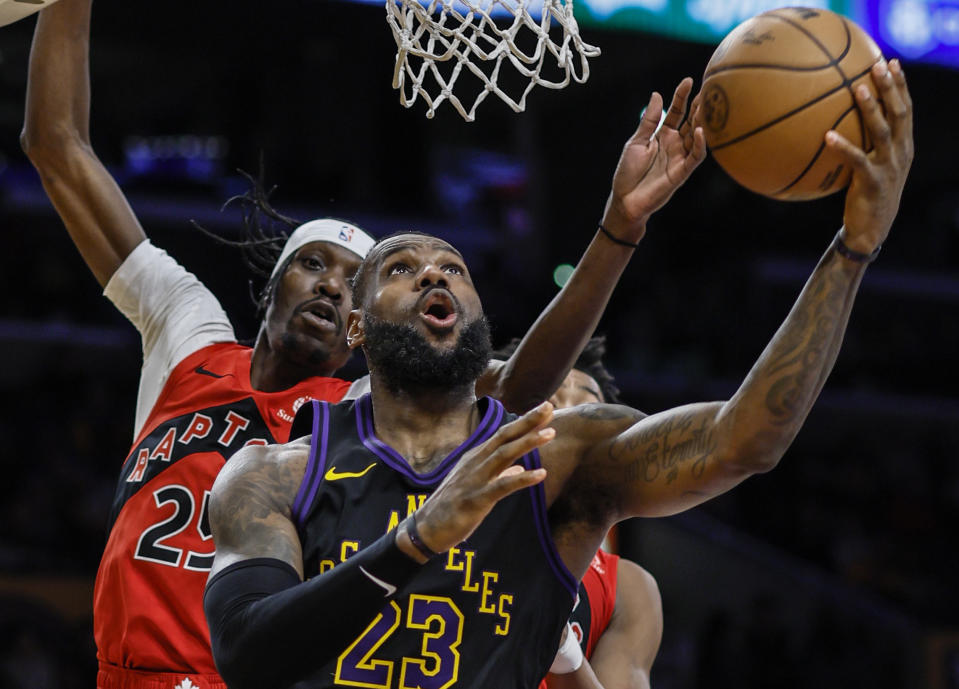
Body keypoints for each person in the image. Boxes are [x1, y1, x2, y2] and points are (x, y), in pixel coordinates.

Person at [19, 1, 706, 687]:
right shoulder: (188, 332)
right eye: (312, 264)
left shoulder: (368, 415)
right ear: (272, 286)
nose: (330, 287)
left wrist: (614, 236)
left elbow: (520, 383)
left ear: (366, 328)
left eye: (355, 284)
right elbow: (58, 147)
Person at [202, 59, 913, 688]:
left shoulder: (561, 462)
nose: (432, 274)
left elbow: (745, 439)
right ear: (357, 327)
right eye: (400, 268)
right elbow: (245, 653)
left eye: (453, 267)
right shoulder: (273, 473)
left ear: (474, 313)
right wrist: (417, 538)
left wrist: (851, 251)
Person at [495, 337, 664, 689]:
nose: (568, 419)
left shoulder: (629, 588)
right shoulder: (445, 521)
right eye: (548, 405)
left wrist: (560, 646)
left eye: (590, 412)